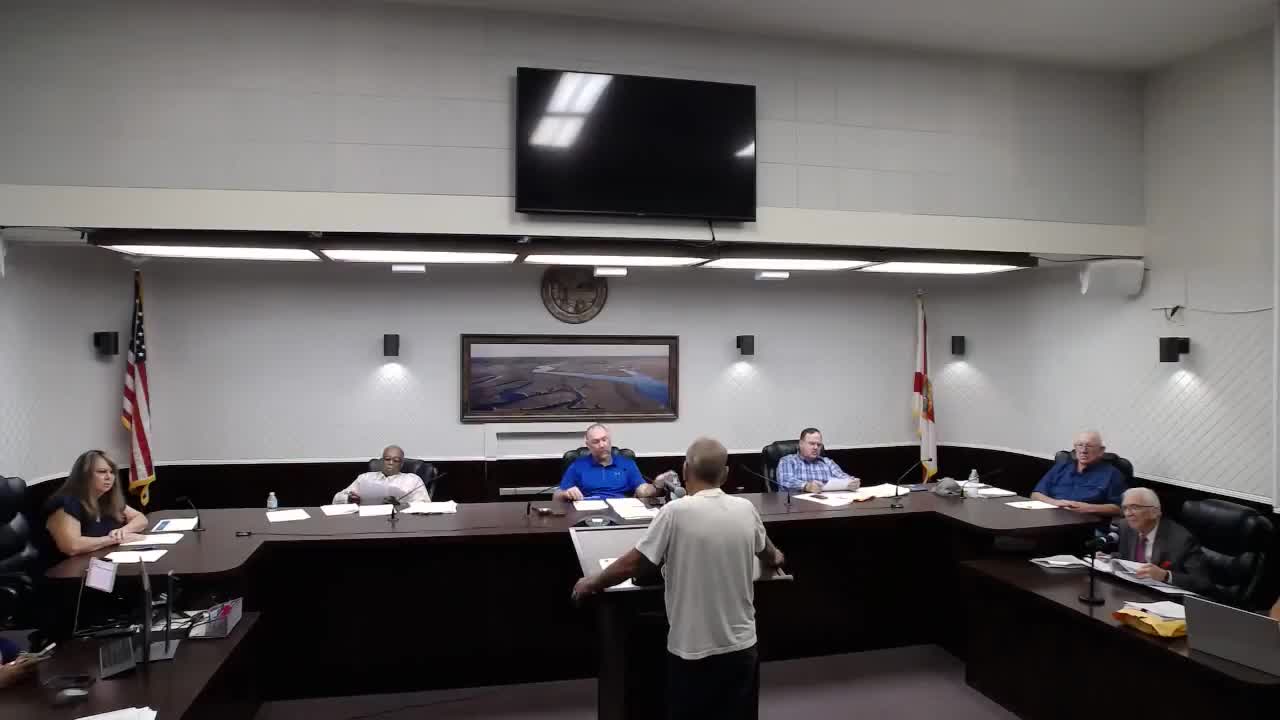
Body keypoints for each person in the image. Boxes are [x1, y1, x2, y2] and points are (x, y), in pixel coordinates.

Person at [572, 437, 785, 720]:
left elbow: (634, 564)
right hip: (742, 645)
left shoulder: (675, 512)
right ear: (725, 474)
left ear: (685, 470)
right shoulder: (746, 509)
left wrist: (591, 582)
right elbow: (770, 554)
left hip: (692, 649)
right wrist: (778, 558)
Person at [44, 450, 147, 561]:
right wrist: (115, 539)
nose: (109, 477)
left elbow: (140, 518)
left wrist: (123, 531)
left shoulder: (106, 498)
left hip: (103, 560)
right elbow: (72, 546)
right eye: (102, 472)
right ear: (84, 475)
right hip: (71, 568)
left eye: (112, 472)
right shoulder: (66, 502)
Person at [1110, 488, 1210, 592]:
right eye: (1125, 508)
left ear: (1154, 512)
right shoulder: (1125, 526)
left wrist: (1165, 575)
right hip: (1134, 590)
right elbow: (1126, 557)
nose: (1128, 513)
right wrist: (1109, 558)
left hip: (1165, 597)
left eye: (1134, 507)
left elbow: (1202, 582)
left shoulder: (1181, 539)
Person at [554, 424, 659, 502]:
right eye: (596, 442)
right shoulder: (577, 466)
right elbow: (556, 497)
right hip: (588, 510)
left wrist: (657, 485)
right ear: (588, 445)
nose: (602, 445)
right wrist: (566, 494)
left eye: (604, 440)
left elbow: (642, 490)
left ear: (610, 441)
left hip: (621, 509)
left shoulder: (627, 463)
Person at [1030, 431, 1126, 515]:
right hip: (1052, 517)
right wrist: (1055, 503)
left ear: (1101, 450)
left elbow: (1120, 509)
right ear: (1075, 448)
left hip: (1087, 523)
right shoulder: (1061, 467)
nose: (1083, 450)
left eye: (1089, 446)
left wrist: (1089, 508)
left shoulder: (1112, 474)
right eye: (1080, 445)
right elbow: (1036, 495)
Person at [332, 445, 430, 505]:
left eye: (396, 460)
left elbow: (425, 505)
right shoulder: (365, 478)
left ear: (401, 464)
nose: (391, 463)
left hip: (401, 521)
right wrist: (349, 499)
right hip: (367, 521)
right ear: (382, 461)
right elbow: (337, 498)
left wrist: (400, 505)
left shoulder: (413, 480)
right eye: (387, 459)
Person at [775, 428, 859, 494]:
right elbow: (785, 481)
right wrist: (806, 486)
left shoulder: (827, 462)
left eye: (819, 445)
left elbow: (843, 477)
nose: (816, 447)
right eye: (811, 444)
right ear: (801, 444)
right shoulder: (788, 461)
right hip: (797, 505)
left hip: (826, 504)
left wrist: (851, 482)